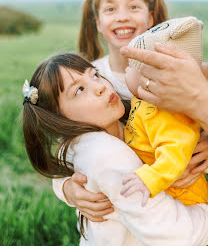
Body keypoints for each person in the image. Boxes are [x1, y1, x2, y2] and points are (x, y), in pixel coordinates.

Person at [53, 0, 208, 221]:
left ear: (151, 18)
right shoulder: (88, 80)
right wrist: (65, 189)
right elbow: (67, 147)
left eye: (133, 7)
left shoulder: (174, 75)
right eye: (111, 8)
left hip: (173, 204)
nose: (123, 16)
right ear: (98, 23)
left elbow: (192, 119)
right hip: (115, 215)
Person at [22, 52, 208, 246]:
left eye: (95, 74)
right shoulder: (108, 156)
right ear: (59, 120)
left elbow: (64, 158)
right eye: (79, 90)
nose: (100, 86)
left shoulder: (125, 119)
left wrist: (65, 188)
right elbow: (176, 235)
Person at [120, 16, 208, 206]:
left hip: (183, 199)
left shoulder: (168, 114)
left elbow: (174, 153)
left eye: (131, 67)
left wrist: (149, 179)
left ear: (156, 80)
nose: (125, 72)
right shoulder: (143, 102)